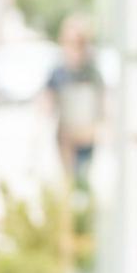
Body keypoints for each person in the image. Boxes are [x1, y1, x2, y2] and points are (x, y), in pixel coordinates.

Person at [43, 14, 105, 184]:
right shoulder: (58, 72)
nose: (75, 48)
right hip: (66, 140)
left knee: (83, 180)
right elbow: (45, 104)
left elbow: (103, 104)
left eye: (79, 42)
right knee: (68, 182)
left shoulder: (92, 72)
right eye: (70, 42)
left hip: (87, 136)